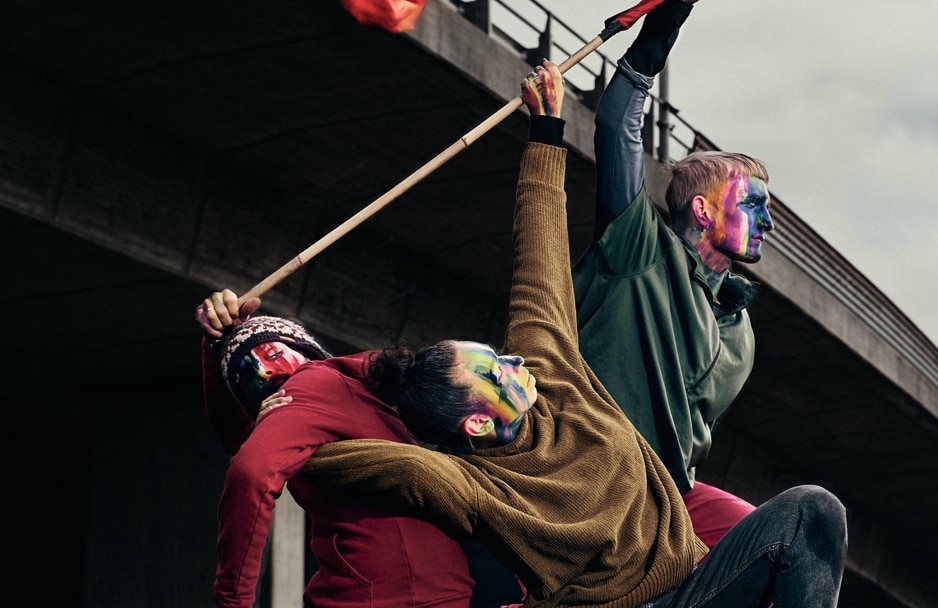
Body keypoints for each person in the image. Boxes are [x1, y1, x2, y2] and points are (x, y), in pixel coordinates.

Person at [299, 58, 847, 607]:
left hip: (688, 589)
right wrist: (271, 379)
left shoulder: (555, 376)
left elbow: (538, 258)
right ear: (477, 421)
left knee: (812, 510)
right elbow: (356, 462)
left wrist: (545, 131)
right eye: (493, 370)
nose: (513, 361)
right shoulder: (477, 489)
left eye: (498, 354)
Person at [573, 0, 770, 547]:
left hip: (665, 495)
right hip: (584, 471)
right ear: (702, 211)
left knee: (792, 527)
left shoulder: (741, 328)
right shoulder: (639, 247)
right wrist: (661, 31)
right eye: (752, 205)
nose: (768, 221)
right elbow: (616, 128)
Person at [196, 291, 523, 607]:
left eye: (271, 355)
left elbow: (248, 464)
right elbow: (242, 449)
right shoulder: (350, 382)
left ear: (305, 351)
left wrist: (233, 600)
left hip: (400, 591)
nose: (263, 372)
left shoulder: (310, 389)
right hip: (408, 591)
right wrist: (215, 347)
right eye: (245, 374)